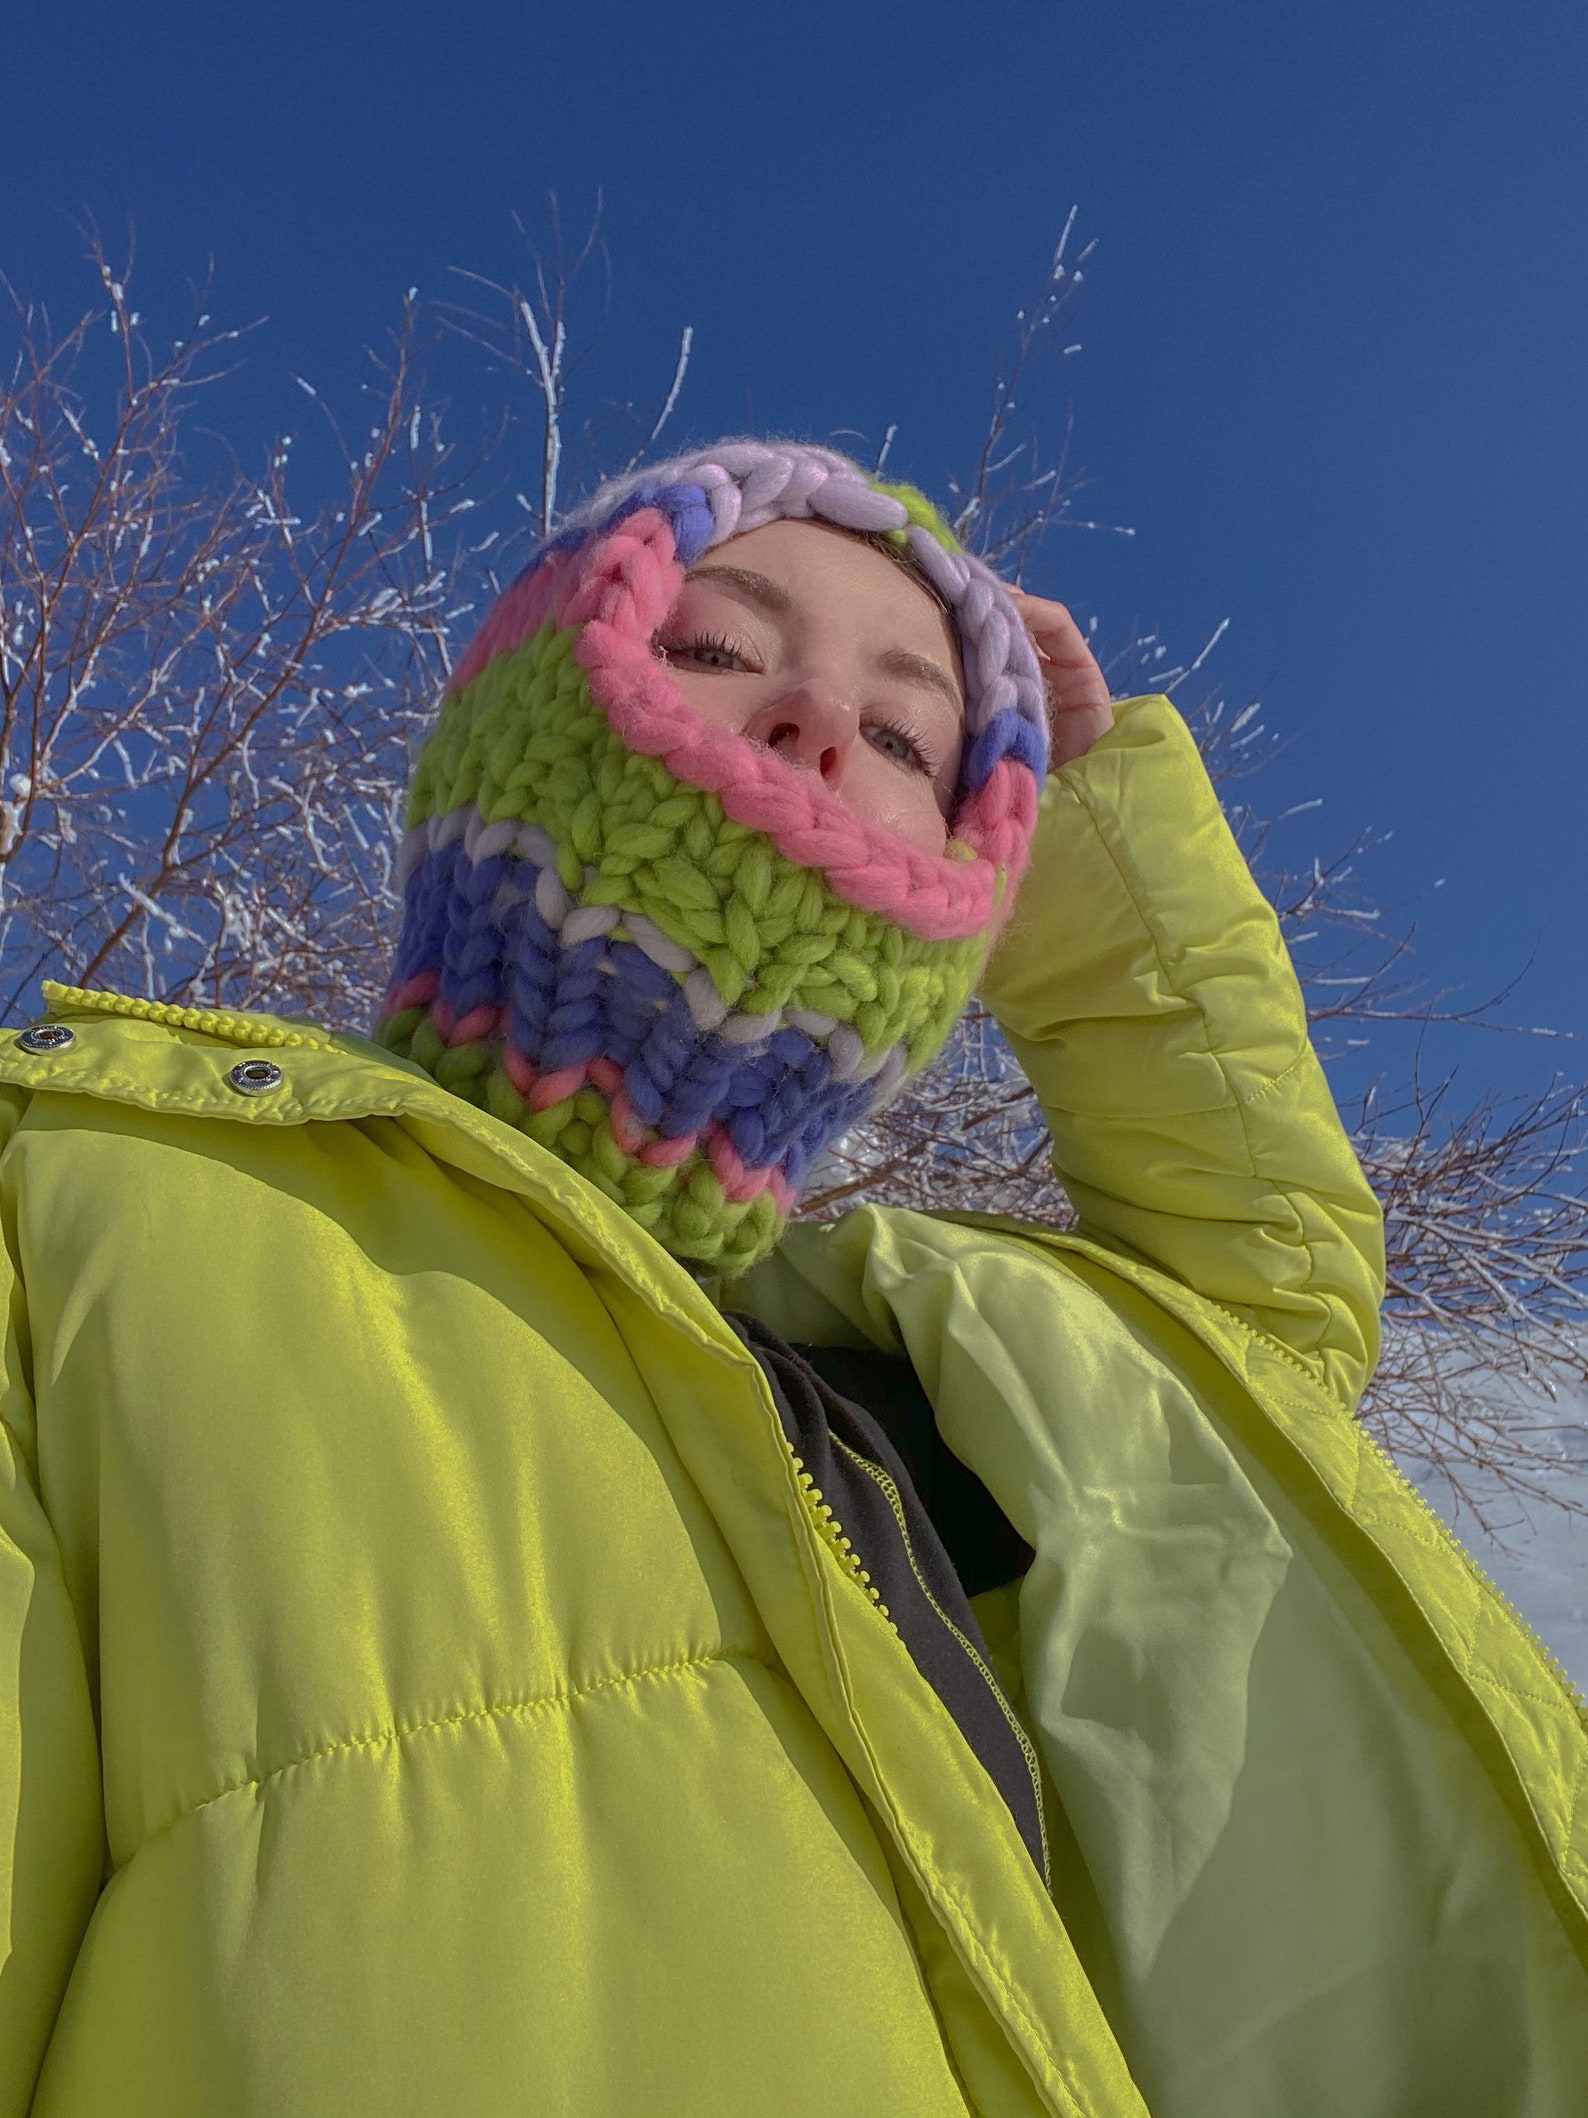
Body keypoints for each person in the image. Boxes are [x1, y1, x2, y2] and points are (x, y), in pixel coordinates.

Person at [0, 440, 1582, 2117]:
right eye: (714, 646)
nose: (822, 725)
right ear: (525, 711)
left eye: (908, 737)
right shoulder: (90, 1200)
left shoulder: (938, 1345)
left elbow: (1269, 1302)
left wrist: (1091, 827)